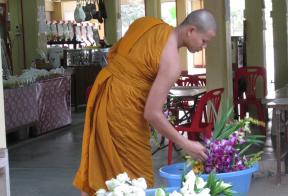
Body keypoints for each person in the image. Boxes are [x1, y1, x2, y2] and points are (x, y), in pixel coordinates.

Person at [73, 9, 217, 195]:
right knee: (138, 179)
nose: (203, 47)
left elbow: (120, 55)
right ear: (190, 31)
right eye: (204, 41)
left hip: (105, 90)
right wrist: (186, 144)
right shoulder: (172, 63)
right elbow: (152, 113)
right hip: (124, 110)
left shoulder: (148, 23)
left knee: (102, 164)